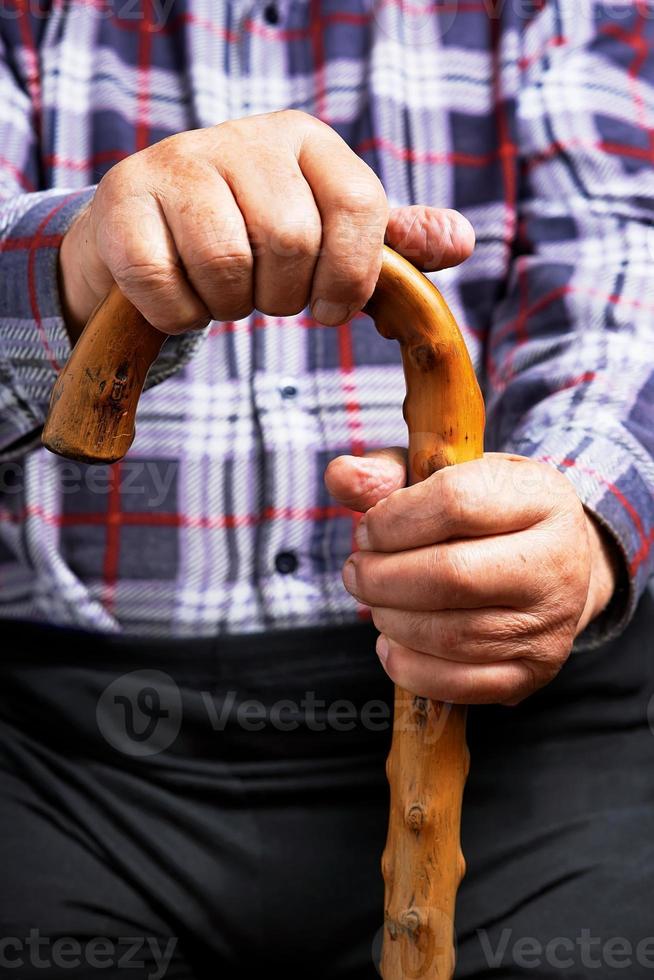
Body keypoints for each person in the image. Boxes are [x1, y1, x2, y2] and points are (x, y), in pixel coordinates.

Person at [0, 0, 653, 977]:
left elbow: (623, 260)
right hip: (51, 740)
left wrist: (569, 512)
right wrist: (82, 261)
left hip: (531, 716)